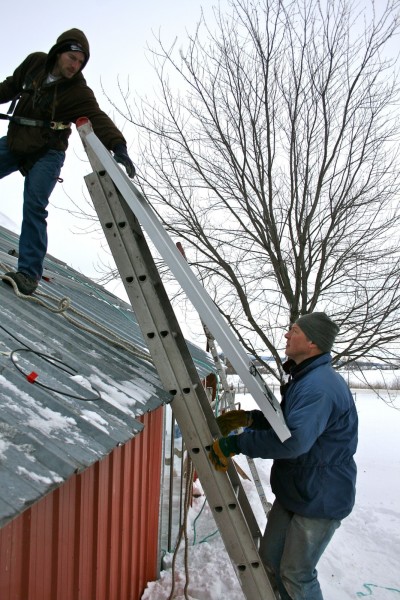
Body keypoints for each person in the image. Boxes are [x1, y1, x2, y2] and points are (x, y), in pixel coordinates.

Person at [209, 312, 358, 600]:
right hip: (297, 488)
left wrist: (236, 445)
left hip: (320, 496)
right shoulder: (305, 378)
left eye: (294, 331)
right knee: (270, 561)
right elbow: (288, 423)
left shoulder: (319, 387)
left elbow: (294, 442)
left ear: (312, 342)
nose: (287, 336)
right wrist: (251, 419)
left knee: (296, 575)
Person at [0, 29, 135, 295]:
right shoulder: (35, 64)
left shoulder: (78, 92)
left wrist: (118, 146)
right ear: (59, 52)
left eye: (80, 62)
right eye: (72, 58)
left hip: (48, 152)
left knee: (35, 205)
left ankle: (27, 274)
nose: (75, 65)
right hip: (17, 141)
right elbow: (10, 85)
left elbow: (97, 117)